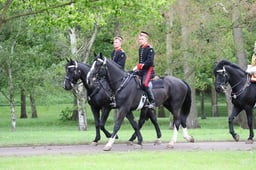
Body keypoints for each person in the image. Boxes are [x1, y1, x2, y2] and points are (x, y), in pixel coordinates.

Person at [135, 31, 156, 109]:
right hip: (141, 70)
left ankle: (152, 102)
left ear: (146, 40)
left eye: (142, 39)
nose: (140, 40)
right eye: (139, 39)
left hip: (148, 70)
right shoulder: (140, 48)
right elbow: (140, 61)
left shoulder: (150, 49)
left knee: (144, 84)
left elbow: (150, 61)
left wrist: (142, 65)